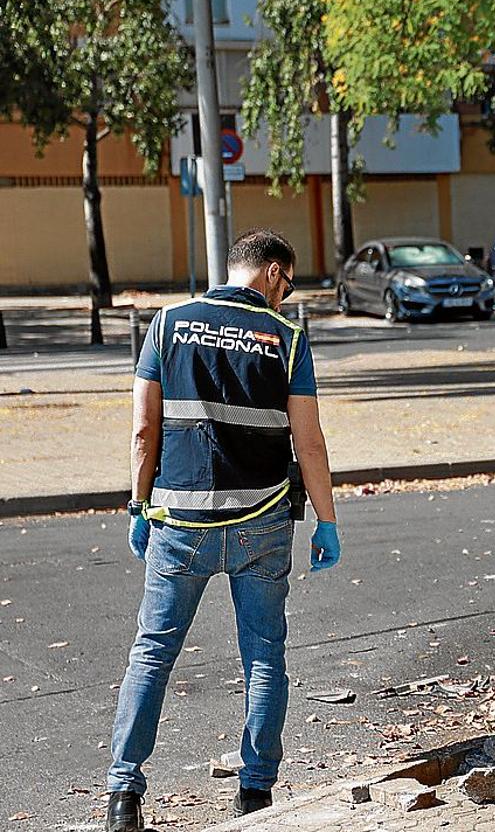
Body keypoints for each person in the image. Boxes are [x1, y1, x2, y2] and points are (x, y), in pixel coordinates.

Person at [105, 230, 343, 832]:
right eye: (286, 284)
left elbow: (142, 431)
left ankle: (123, 797)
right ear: (269, 274)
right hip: (262, 521)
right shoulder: (287, 339)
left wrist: (138, 506)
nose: (286, 298)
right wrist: (327, 519)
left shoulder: (166, 322)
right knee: (264, 657)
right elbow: (308, 441)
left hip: (178, 523)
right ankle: (255, 793)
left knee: (153, 655)